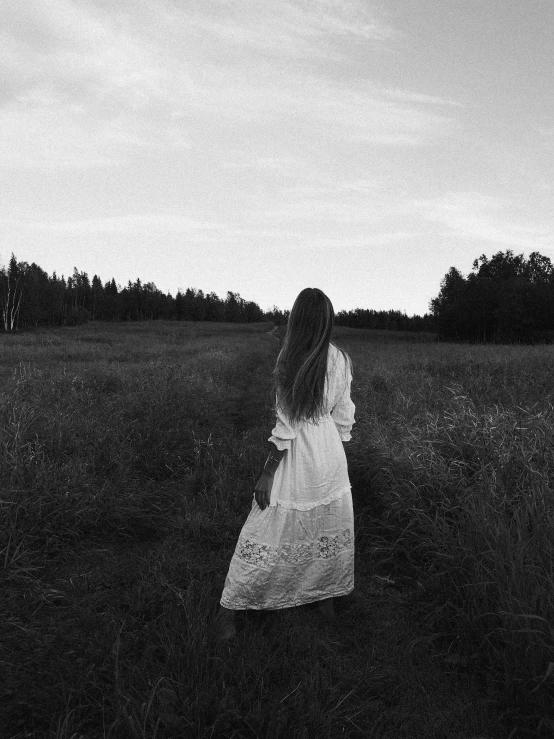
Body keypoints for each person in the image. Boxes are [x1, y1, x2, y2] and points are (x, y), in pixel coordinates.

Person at [214, 287, 355, 641]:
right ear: (326, 321)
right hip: (330, 454)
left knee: (265, 526)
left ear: (297, 321)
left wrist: (266, 473)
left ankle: (229, 611)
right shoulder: (341, 359)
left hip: (301, 455)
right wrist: (334, 458)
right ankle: (323, 599)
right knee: (324, 524)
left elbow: (287, 428)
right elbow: (343, 418)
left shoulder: (289, 359)